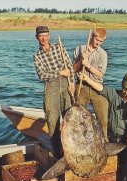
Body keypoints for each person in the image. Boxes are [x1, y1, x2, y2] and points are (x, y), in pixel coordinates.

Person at [80, 72, 127, 181]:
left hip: (126, 140)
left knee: (126, 167)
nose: (126, 92)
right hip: (112, 138)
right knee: (110, 166)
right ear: (122, 86)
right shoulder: (114, 95)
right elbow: (101, 88)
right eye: (124, 88)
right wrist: (87, 79)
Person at [33, 26, 75, 159]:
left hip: (66, 84)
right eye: (41, 36)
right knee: (52, 121)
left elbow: (69, 65)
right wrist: (59, 72)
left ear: (49, 35)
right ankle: (58, 154)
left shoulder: (59, 47)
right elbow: (42, 75)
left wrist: (72, 82)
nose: (44, 38)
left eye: (46, 35)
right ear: (37, 38)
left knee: (70, 118)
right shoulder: (37, 56)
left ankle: (72, 150)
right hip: (51, 87)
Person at [73, 28, 109, 141]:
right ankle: (80, 141)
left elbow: (100, 75)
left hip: (96, 86)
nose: (98, 43)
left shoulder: (103, 54)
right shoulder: (80, 49)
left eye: (101, 41)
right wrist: (81, 59)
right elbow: (73, 69)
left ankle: (103, 141)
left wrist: (88, 65)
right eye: (96, 39)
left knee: (103, 114)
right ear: (92, 37)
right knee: (79, 116)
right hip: (81, 86)